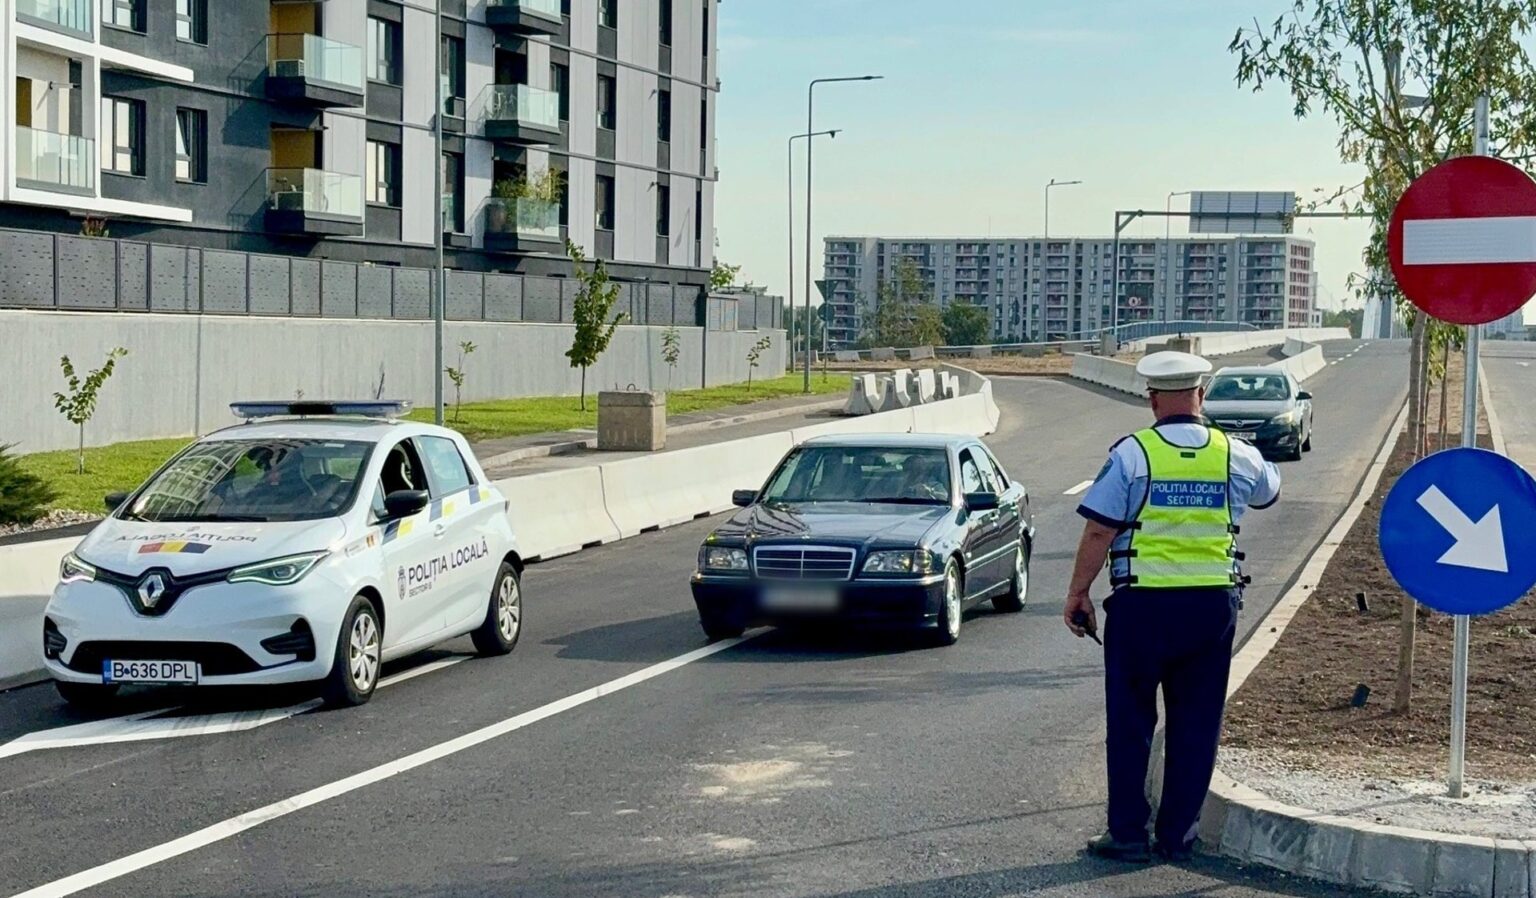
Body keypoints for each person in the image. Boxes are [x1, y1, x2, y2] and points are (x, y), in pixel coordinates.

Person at [1063, 350, 1281, 863]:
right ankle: (1179, 834)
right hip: (1211, 610)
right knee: (1197, 722)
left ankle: (1128, 834)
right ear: (1201, 396)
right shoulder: (1235, 454)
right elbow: (1271, 489)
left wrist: (1078, 592)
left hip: (1142, 608)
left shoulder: (1132, 455)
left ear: (1153, 399)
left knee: (1131, 720)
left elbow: (1099, 527)